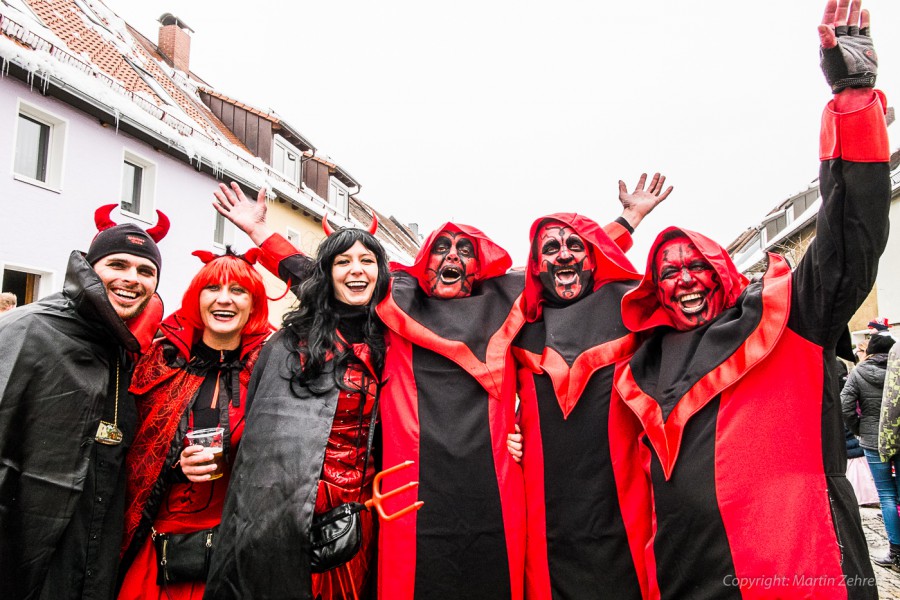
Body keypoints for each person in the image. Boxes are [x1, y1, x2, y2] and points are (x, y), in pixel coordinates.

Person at [210, 174, 668, 599]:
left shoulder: (508, 303)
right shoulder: (395, 301)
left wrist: (629, 220)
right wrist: (259, 235)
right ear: (425, 260)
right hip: (411, 488)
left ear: (480, 263)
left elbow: (564, 259)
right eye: (443, 248)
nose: (452, 258)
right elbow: (326, 280)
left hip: (495, 484)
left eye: (464, 250)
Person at [614, 2, 885, 595]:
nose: (683, 278)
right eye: (668, 271)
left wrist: (855, 100)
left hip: (796, 571)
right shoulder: (641, 361)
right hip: (687, 577)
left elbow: (850, 239)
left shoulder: (788, 316)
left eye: (696, 266)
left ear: (723, 273)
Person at [205, 224, 389, 600]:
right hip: (284, 504)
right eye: (343, 261)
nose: (356, 270)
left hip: (360, 514)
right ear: (327, 274)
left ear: (381, 273)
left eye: (367, 260)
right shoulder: (290, 343)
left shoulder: (394, 339)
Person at [0, 205, 168, 600]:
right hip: (21, 546)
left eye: (146, 271)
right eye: (118, 264)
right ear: (91, 269)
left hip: (91, 554)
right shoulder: (28, 329)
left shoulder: (131, 351)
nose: (132, 278)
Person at [511, 213, 654, 599]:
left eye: (575, 247)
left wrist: (628, 222)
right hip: (547, 508)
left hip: (620, 499)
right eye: (551, 249)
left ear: (592, 259)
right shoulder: (517, 320)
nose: (563, 256)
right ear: (536, 266)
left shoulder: (629, 307)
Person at [116, 249, 273, 599]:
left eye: (238, 291)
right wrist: (174, 465)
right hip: (157, 548)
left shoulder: (270, 370)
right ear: (196, 298)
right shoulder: (160, 360)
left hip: (234, 548)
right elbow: (132, 449)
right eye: (212, 288)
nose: (224, 299)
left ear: (254, 304)